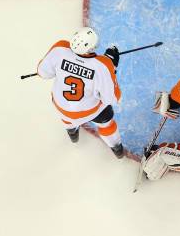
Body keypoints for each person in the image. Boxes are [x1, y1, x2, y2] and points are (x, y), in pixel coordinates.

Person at [37, 27, 125, 158]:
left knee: (67, 116)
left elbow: (43, 73)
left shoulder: (60, 48)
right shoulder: (103, 66)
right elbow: (112, 98)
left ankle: (73, 135)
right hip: (89, 111)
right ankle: (117, 149)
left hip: (61, 107)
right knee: (106, 120)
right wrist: (112, 66)